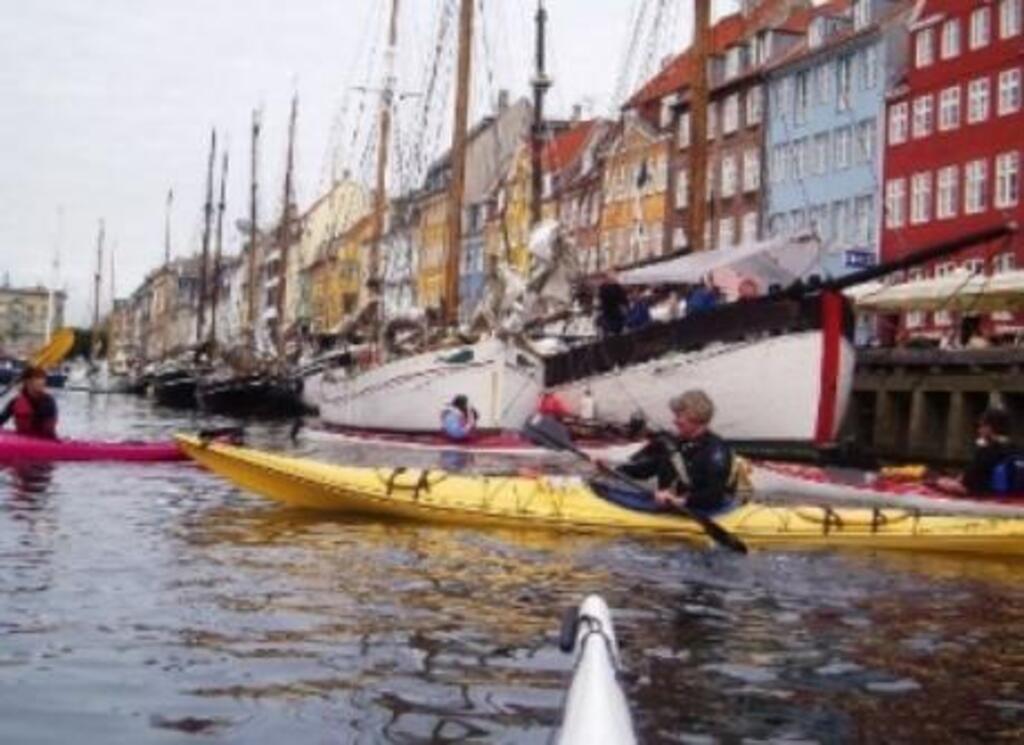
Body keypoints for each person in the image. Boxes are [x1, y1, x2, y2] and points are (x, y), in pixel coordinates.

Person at [614, 389, 737, 515]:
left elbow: (714, 495)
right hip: (671, 507)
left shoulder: (715, 451)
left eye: (679, 416)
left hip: (705, 511)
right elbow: (651, 467)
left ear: (694, 417)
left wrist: (681, 501)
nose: (674, 421)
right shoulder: (677, 444)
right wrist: (616, 470)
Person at [936, 408, 1023, 496]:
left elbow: (967, 480)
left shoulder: (986, 451)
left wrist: (945, 481)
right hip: (1014, 492)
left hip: (985, 492)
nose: (979, 430)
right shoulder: (1018, 450)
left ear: (989, 428)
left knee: (941, 481)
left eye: (981, 426)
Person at [0, 366, 58, 440]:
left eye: (43, 378)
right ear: (28, 381)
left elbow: (46, 430)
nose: (42, 382)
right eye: (37, 378)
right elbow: (1, 419)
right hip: (22, 440)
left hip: (43, 441)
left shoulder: (48, 401)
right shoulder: (15, 401)